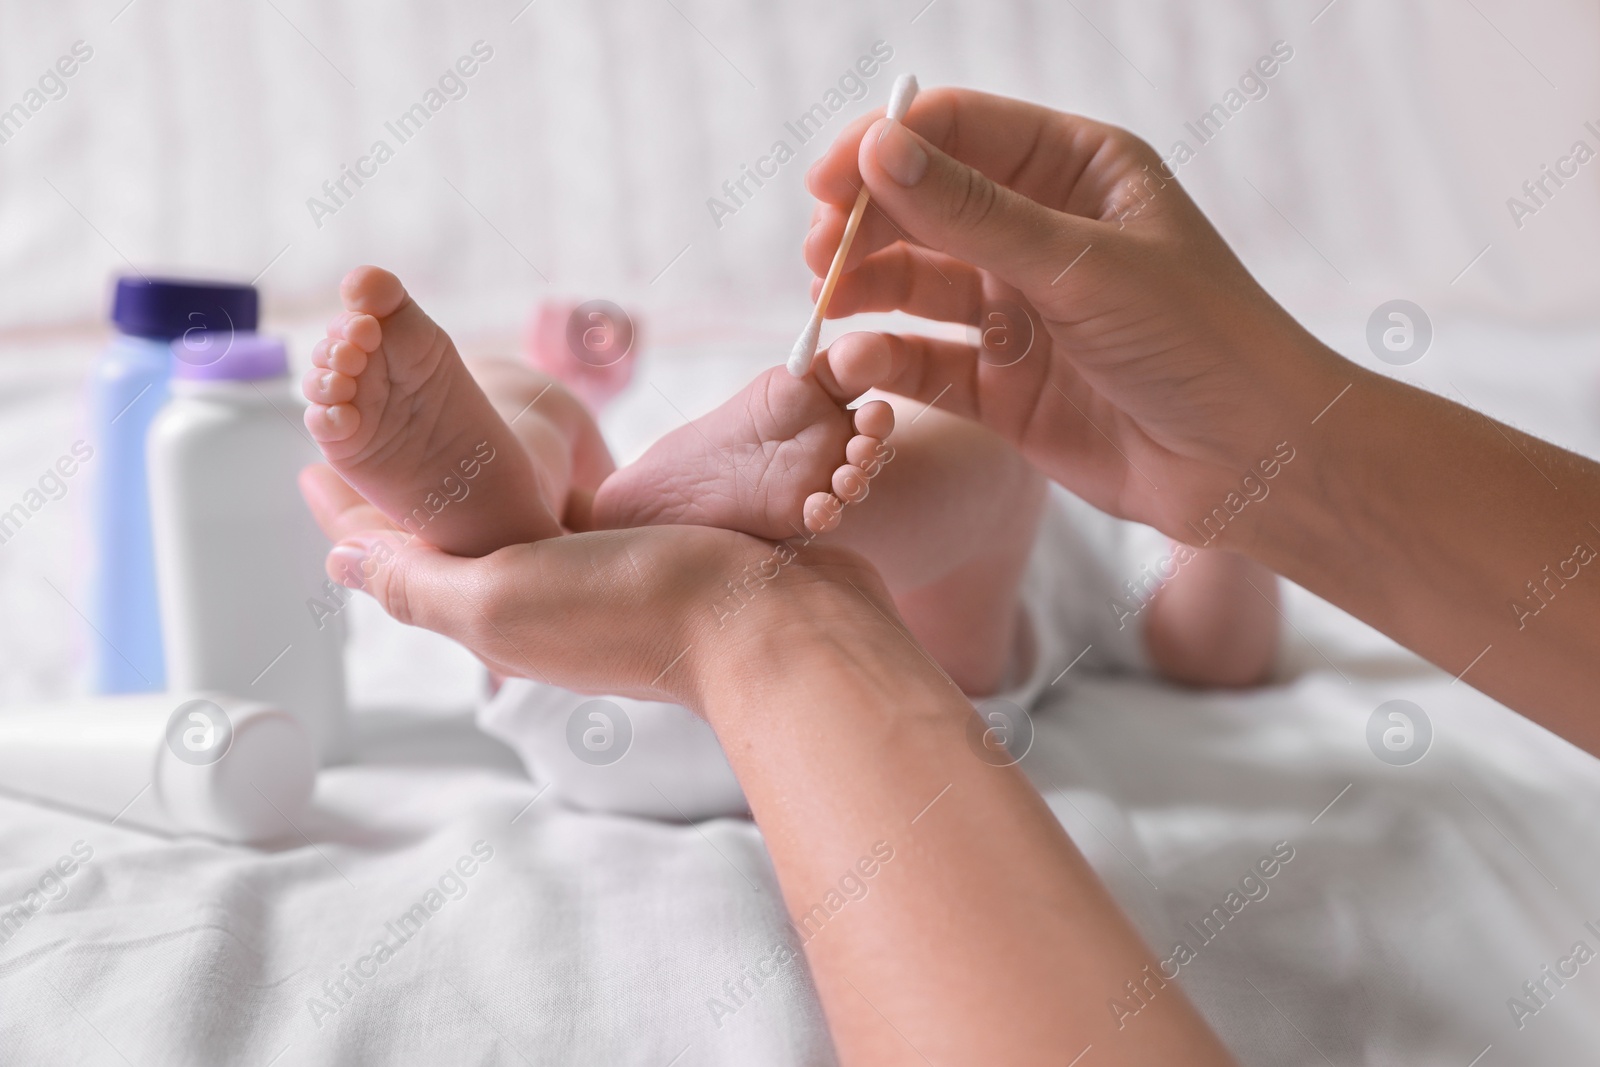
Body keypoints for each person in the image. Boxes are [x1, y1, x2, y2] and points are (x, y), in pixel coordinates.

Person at [300, 86, 1600, 1064]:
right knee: (969, 466)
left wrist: (1220, 496)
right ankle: (563, 489)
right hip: (761, 682)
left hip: (586, 677)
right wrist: (1246, 481)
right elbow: (1225, 657)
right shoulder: (1057, 509)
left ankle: (506, 483)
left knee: (956, 457)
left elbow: (1219, 650)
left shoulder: (1096, 500)